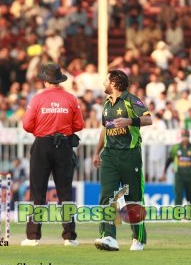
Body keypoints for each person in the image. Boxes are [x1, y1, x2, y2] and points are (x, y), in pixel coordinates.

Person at [21, 63, 84, 246]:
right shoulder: (71, 99)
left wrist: (42, 130)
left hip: (42, 144)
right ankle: (69, 237)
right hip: (63, 145)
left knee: (38, 192)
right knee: (65, 193)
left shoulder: (37, 99)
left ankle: (33, 237)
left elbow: (26, 125)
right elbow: (79, 125)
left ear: (45, 81)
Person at [93, 70, 152, 251]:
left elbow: (148, 119)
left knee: (133, 198)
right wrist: (97, 152)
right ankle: (108, 236)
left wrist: (129, 121)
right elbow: (105, 129)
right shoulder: (106, 104)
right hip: (109, 155)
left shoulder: (131, 100)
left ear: (114, 83)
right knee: (106, 195)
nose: (103, 82)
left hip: (130, 154)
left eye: (106, 79)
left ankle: (138, 238)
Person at [161, 129, 191, 205]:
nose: (185, 138)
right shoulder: (176, 147)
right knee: (178, 196)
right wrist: (164, 172)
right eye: (183, 136)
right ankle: (178, 215)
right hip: (179, 175)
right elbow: (169, 160)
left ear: (189, 137)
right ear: (181, 137)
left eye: (186, 137)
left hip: (190, 175)